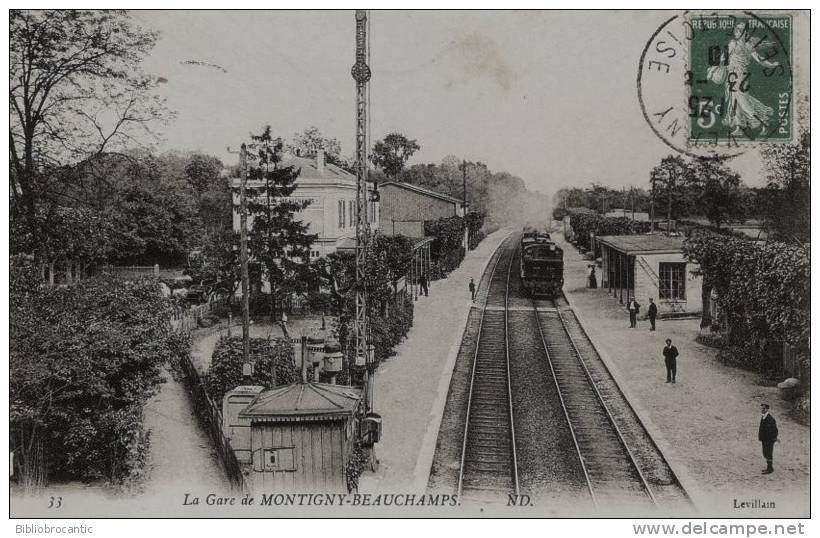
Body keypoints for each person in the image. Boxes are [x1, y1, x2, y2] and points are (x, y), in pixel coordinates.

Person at [758, 403, 778, 474]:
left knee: (768, 453)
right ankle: (769, 467)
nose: (762, 410)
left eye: (763, 409)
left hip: (769, 440)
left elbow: (775, 430)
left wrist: (772, 439)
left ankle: (770, 469)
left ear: (767, 409)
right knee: (765, 453)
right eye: (761, 408)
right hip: (765, 439)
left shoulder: (770, 419)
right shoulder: (764, 417)